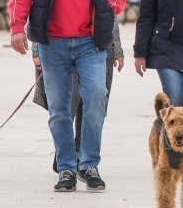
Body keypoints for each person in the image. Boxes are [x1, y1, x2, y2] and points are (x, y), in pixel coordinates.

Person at [8, 0, 126, 192]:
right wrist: (17, 26)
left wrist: (106, 12)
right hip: (52, 42)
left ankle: (89, 164)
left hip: (91, 41)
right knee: (59, 107)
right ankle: (66, 168)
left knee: (97, 97)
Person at [31, 21, 124, 173]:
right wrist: (36, 48)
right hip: (59, 45)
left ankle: (83, 156)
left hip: (95, 43)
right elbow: (40, 7)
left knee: (92, 101)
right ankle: (66, 154)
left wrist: (117, 49)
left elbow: (109, 12)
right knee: (67, 103)